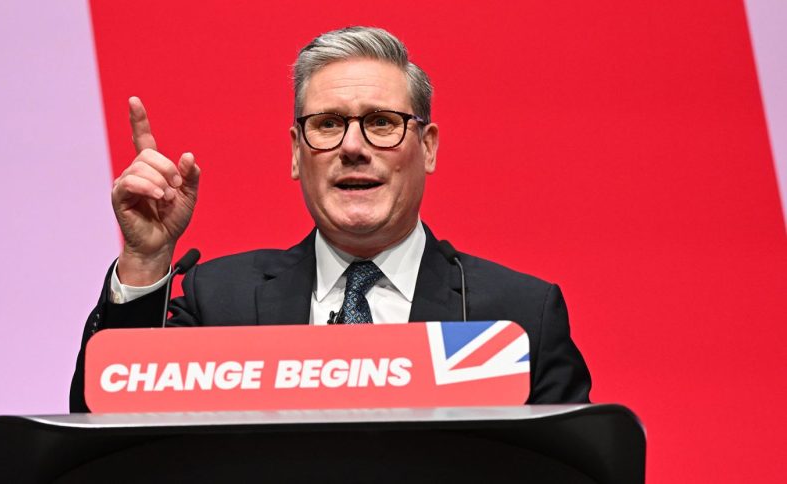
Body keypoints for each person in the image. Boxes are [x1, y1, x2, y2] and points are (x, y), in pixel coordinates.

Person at [70, 26, 591, 412]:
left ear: (427, 148)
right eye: (328, 124)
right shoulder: (219, 301)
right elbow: (110, 431)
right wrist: (145, 261)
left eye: (382, 122)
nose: (353, 147)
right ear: (297, 154)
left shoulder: (518, 316)